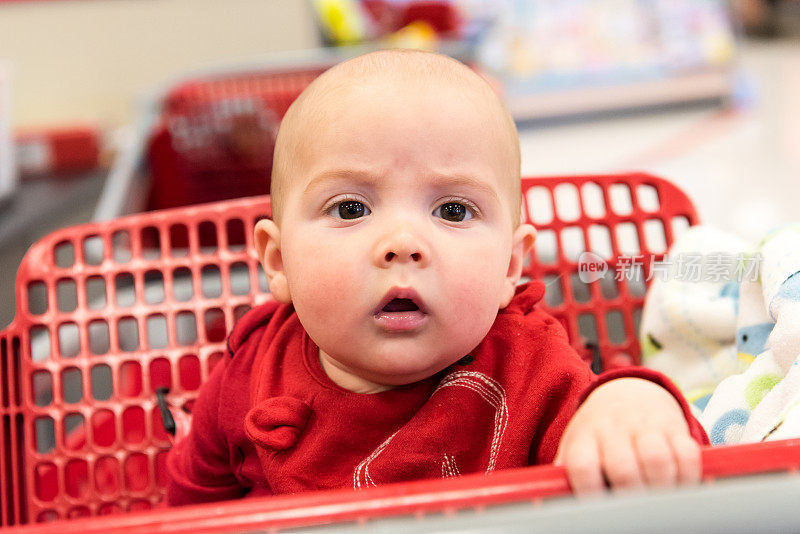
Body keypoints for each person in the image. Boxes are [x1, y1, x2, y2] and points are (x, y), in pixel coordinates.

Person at [166, 49, 707, 504]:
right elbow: (189, 505)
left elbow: (639, 449)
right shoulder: (250, 372)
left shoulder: (531, 368)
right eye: (351, 209)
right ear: (279, 262)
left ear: (510, 268)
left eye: (452, 211)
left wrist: (632, 404)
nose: (403, 243)